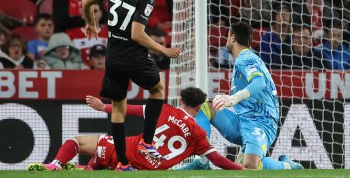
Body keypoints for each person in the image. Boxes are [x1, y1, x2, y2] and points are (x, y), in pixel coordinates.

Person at [81, 0, 181, 171]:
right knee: (157, 89)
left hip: (113, 57)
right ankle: (147, 141)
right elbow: (137, 34)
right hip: (133, 56)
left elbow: (86, 1)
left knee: (118, 109)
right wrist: (163, 49)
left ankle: (123, 163)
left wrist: (91, 24)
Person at [28, 87, 243, 171]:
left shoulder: (164, 110)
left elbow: (126, 109)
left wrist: (103, 106)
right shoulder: (199, 134)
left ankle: (56, 165)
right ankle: (88, 170)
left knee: (78, 142)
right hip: (149, 170)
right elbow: (218, 160)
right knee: (101, 163)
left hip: (130, 151)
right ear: (199, 107)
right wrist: (241, 169)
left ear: (181, 100)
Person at [210, 22, 303, 170]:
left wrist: (232, 98)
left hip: (259, 122)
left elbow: (259, 82)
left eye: (228, 36)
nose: (226, 40)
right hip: (244, 120)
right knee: (204, 107)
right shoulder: (244, 59)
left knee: (249, 166)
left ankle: (288, 166)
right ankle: (202, 160)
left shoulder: (245, 58)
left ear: (232, 38)